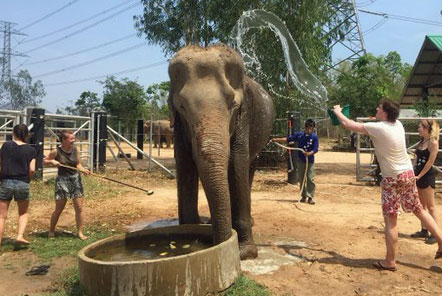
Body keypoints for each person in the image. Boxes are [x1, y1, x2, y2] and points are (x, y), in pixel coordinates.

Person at [333, 100, 442, 271]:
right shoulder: (398, 125)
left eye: (379, 108)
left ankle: (390, 261)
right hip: (407, 174)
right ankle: (441, 241)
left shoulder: (379, 128)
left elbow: (349, 124)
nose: (377, 109)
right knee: (419, 209)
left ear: (385, 113)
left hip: (392, 178)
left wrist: (338, 112)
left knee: (391, 219)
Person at [44, 130, 90, 240]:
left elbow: (78, 164)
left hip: (75, 180)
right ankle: (51, 230)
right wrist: (52, 161)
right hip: (62, 181)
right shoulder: (57, 151)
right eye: (71, 139)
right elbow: (45, 160)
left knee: (79, 208)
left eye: (74, 139)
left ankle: (80, 232)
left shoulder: (75, 150)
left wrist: (83, 170)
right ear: (64, 140)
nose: (73, 141)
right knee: (59, 208)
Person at [0, 124, 36, 247]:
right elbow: (32, 170)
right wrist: (28, 180)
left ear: (14, 134)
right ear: (26, 135)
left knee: (2, 216)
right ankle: (20, 236)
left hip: (6, 181)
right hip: (23, 182)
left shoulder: (6, 145)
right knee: (23, 213)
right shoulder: (31, 150)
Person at [272, 119, 319, 204]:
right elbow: (288, 139)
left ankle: (310, 197)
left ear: (313, 128)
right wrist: (276, 139)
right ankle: (303, 196)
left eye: (311, 127)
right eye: (307, 127)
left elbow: (316, 149)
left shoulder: (314, 137)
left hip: (310, 161)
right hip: (301, 160)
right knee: (301, 178)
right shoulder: (300, 135)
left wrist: (309, 153)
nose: (309, 129)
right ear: (305, 127)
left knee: (310, 178)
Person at [410, 119, 440, 244]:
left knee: (431, 206)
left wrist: (419, 175)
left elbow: (430, 163)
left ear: (428, 129)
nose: (419, 129)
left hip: (427, 176)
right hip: (418, 176)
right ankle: (424, 229)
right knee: (421, 206)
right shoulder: (422, 142)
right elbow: (416, 159)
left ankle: (436, 233)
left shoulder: (433, 143)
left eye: (421, 127)